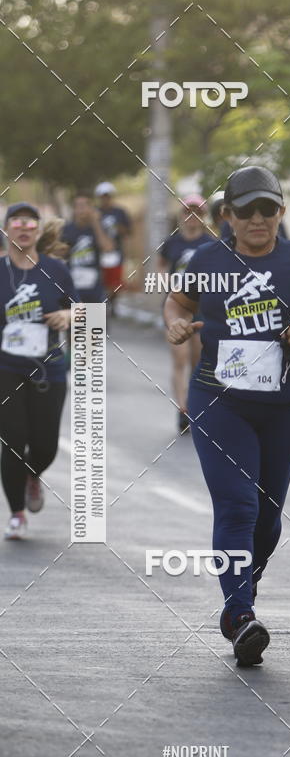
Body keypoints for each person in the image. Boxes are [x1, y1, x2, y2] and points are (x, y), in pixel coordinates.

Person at [164, 165, 290, 666]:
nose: (257, 219)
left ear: (281, 212)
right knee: (238, 507)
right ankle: (240, 615)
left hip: (286, 406)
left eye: (268, 209)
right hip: (219, 401)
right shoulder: (206, 259)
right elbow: (175, 303)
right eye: (246, 210)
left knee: (267, 521)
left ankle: (240, 587)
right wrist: (179, 325)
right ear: (227, 216)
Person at [0, 203, 78, 539]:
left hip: (49, 369)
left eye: (29, 223)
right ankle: (17, 512)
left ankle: (33, 475)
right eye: (16, 222)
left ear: (36, 230)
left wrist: (69, 317)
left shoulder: (56, 270)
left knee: (45, 445)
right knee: (13, 441)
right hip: (7, 368)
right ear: (7, 230)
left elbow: (84, 312)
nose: (23, 228)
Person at [159, 195, 214, 433]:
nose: (192, 218)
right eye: (187, 213)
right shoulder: (172, 243)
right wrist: (166, 285)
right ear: (181, 216)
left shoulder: (211, 243)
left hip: (202, 307)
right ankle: (182, 410)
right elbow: (161, 265)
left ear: (203, 217)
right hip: (178, 307)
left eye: (197, 213)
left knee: (197, 361)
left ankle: (194, 404)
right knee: (179, 358)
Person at [62, 191, 114, 303]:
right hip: (72, 286)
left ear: (91, 208)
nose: (81, 209)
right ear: (74, 209)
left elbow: (108, 248)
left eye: (84, 206)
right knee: (76, 319)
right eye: (78, 206)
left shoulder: (98, 227)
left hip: (94, 286)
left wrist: (95, 222)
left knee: (93, 320)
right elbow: (59, 254)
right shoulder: (66, 229)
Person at [94, 182, 132, 315]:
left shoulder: (119, 212)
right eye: (103, 196)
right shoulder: (95, 212)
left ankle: (113, 304)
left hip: (116, 251)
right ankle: (102, 303)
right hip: (99, 251)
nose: (105, 199)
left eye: (108, 196)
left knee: (115, 281)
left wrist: (119, 229)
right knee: (101, 279)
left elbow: (128, 230)